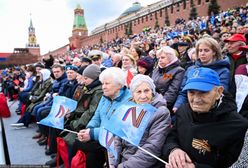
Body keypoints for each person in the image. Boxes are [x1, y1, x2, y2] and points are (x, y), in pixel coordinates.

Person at [163, 67, 248, 168]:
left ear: (219, 92)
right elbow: (172, 137)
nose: (196, 99)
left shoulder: (238, 126)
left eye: (203, 92)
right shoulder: (183, 111)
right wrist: (173, 150)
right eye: (191, 92)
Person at [73, 67, 132, 168]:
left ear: (119, 85)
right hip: (101, 136)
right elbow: (97, 116)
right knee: (78, 142)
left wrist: (92, 134)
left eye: (107, 83)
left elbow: (118, 129)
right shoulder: (105, 97)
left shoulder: (128, 101)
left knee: (91, 154)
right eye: (102, 83)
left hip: (115, 141)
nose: (103, 87)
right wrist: (89, 129)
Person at [109, 74, 171, 168]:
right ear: (133, 95)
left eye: (146, 91)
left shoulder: (160, 112)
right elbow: (116, 140)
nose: (143, 96)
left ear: (152, 92)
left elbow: (151, 148)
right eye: (138, 92)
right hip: (124, 161)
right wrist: (113, 164)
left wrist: (123, 166)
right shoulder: (128, 109)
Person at [173, 36, 230, 112]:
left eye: (206, 50)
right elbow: (183, 91)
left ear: (214, 52)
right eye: (200, 50)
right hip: (190, 107)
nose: (202, 53)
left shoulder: (223, 70)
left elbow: (221, 94)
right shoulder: (191, 69)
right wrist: (177, 106)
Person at [152, 46, 185, 111]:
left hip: (165, 106)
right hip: (153, 102)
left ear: (170, 58)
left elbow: (172, 91)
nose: (160, 60)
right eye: (159, 58)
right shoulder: (156, 70)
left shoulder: (178, 71)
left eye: (163, 57)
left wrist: (159, 105)